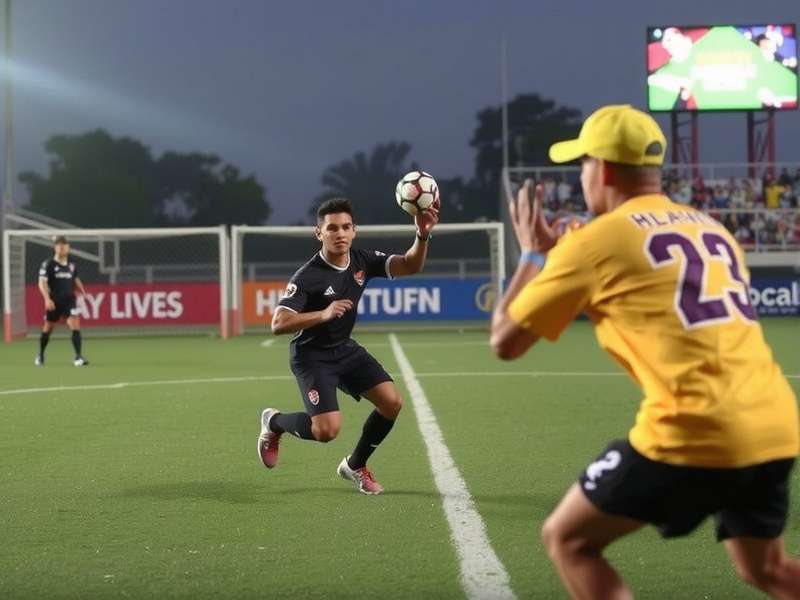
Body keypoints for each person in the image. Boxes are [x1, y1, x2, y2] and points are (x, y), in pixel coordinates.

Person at [490, 104, 799, 599]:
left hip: (695, 428)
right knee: (768, 569)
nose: (582, 175)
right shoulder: (711, 227)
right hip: (775, 424)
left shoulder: (594, 241)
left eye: (583, 164)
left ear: (605, 169)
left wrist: (532, 255)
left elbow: (504, 341)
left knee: (567, 539)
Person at [257, 196, 440, 495]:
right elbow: (278, 323)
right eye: (331, 228)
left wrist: (422, 234)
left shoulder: (362, 260)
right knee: (326, 431)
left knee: (391, 403)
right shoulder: (308, 276)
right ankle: (274, 422)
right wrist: (324, 313)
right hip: (312, 356)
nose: (339, 233)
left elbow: (409, 265)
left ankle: (355, 465)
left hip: (344, 348)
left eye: (345, 227)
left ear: (354, 230)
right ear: (319, 233)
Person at [36, 236, 89, 367]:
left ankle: (78, 357)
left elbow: (75, 279)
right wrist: (47, 299)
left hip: (69, 300)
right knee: (48, 329)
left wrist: (83, 291)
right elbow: (41, 282)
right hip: (54, 301)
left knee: (75, 326)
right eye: (59, 246)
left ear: (68, 248)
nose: (62, 248)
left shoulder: (72, 265)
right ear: (55, 248)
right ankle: (41, 354)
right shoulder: (48, 264)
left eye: (64, 245)